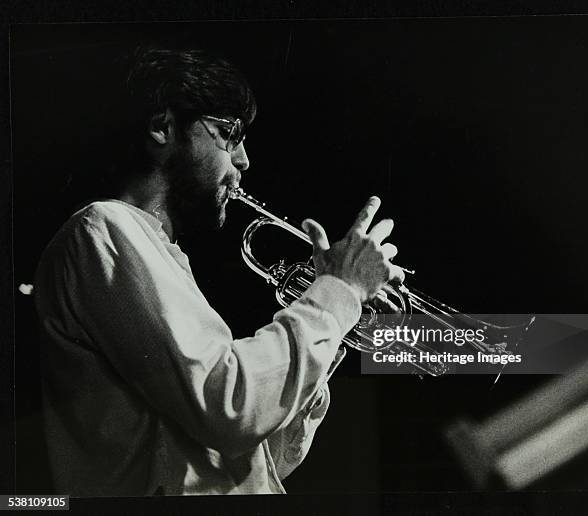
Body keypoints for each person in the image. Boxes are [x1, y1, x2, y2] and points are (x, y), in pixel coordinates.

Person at [34, 47, 404, 496]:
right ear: (162, 127)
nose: (244, 160)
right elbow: (229, 406)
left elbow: (260, 461)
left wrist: (336, 315)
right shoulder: (106, 228)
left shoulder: (158, 251)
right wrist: (337, 292)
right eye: (229, 134)